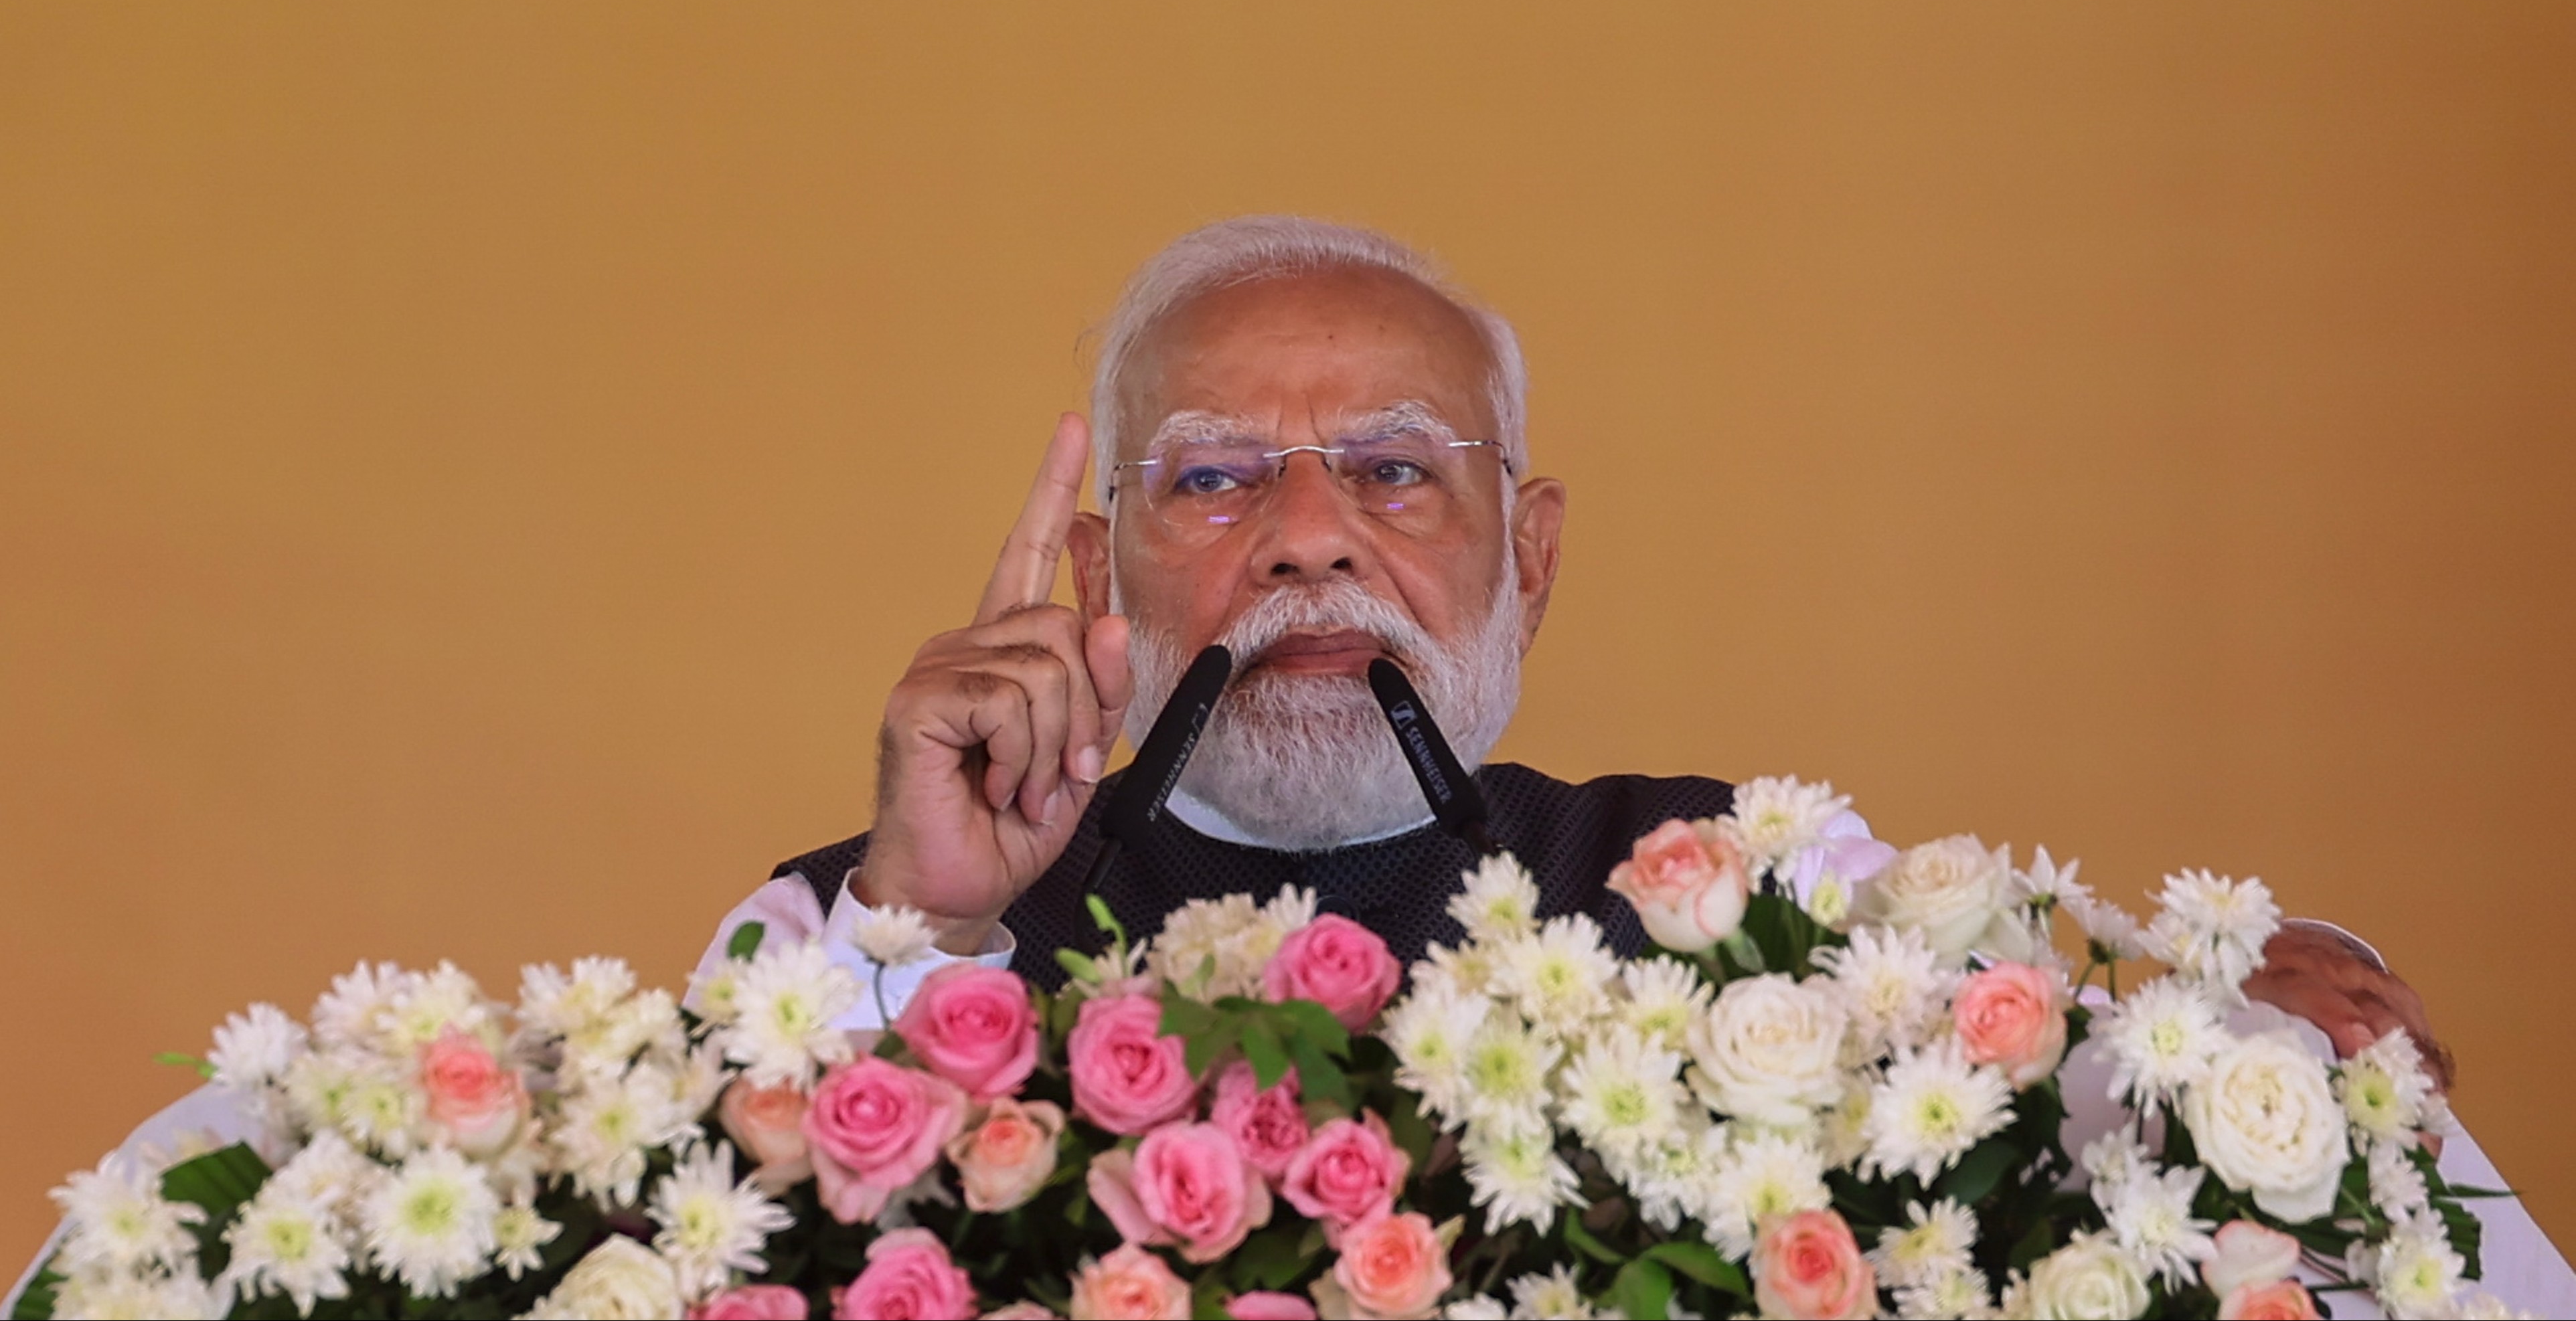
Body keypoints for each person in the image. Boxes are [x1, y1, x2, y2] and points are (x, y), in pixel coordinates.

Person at [702, 214, 2441, 1075]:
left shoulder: (1745, 887)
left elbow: (2056, 1095)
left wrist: (2255, 1019)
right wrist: (924, 923)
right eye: (1217, 482)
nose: (1308, 539)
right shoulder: (849, 917)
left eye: (1392, 470)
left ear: (1529, 560)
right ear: (1100, 578)